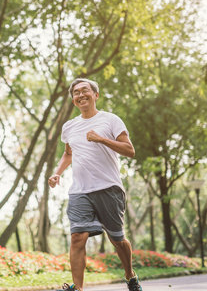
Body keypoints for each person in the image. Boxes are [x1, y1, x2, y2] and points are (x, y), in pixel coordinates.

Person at [48, 78, 142, 291]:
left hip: (109, 188)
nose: (80, 95)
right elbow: (68, 153)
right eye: (76, 93)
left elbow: (130, 150)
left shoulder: (111, 120)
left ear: (95, 95)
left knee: (117, 239)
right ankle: (78, 288)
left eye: (85, 90)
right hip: (80, 190)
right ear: (73, 100)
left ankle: (130, 275)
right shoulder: (69, 126)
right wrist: (57, 173)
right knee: (77, 237)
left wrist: (101, 139)